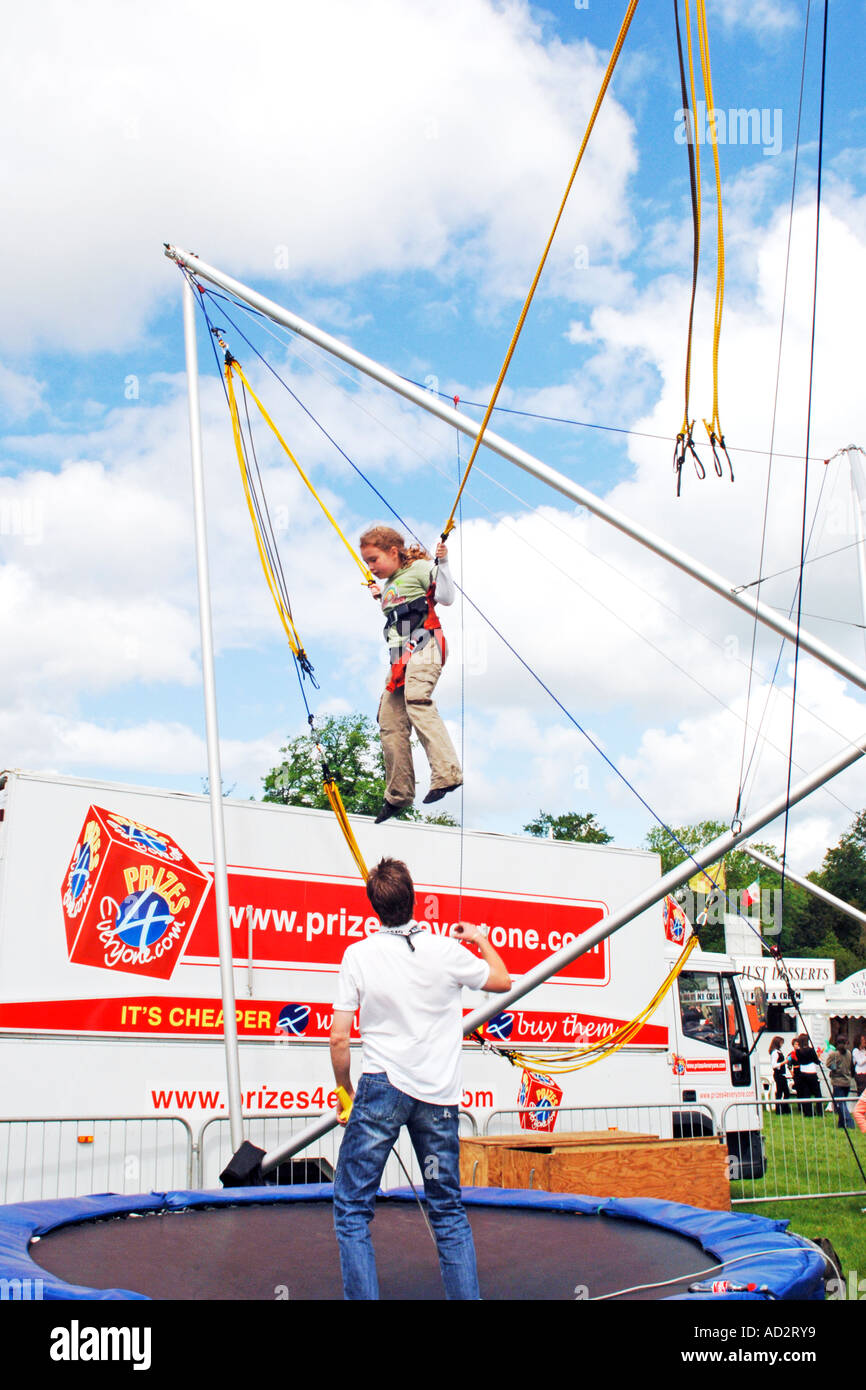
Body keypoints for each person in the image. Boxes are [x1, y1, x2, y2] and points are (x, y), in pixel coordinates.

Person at [329, 856, 511, 1300]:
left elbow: (338, 1039)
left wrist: (345, 1091)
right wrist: (481, 939)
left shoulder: (359, 954)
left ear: (374, 907)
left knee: (352, 1208)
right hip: (438, 1099)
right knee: (447, 1211)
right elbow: (503, 980)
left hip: (381, 1090)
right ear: (415, 900)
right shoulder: (446, 951)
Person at [360, 525, 462, 823]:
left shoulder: (418, 569)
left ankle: (446, 774)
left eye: (374, 560)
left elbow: (446, 597)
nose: (371, 567)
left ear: (393, 552)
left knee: (417, 699)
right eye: (367, 562)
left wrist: (442, 563)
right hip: (400, 661)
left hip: (426, 645)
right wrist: (381, 596)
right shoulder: (391, 582)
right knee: (389, 722)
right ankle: (398, 795)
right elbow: (398, 607)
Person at [827, 1037, 855, 1130]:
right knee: (842, 1103)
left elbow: (828, 1064)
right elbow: (851, 1066)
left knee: (840, 1104)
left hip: (837, 1082)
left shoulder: (834, 1054)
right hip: (847, 1081)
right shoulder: (849, 1053)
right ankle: (841, 1123)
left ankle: (849, 1122)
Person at [793, 1034, 822, 1116]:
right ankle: (819, 1111)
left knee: (806, 1093)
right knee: (817, 1093)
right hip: (812, 1073)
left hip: (803, 1073)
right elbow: (816, 1061)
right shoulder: (811, 1050)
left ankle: (808, 1112)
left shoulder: (798, 1051)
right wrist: (818, 1058)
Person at [768, 1035, 791, 1115]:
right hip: (779, 1074)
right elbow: (774, 1065)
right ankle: (780, 1109)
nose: (782, 1044)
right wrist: (784, 1062)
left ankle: (783, 1109)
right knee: (782, 1092)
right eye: (781, 1043)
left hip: (781, 1074)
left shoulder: (778, 1052)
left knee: (784, 1092)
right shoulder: (775, 1052)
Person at [853, 1033, 866, 1097]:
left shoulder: (864, 1051)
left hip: (865, 1072)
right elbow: (860, 1062)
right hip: (860, 1074)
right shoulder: (856, 1051)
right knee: (862, 1091)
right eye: (863, 1040)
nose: (864, 1041)